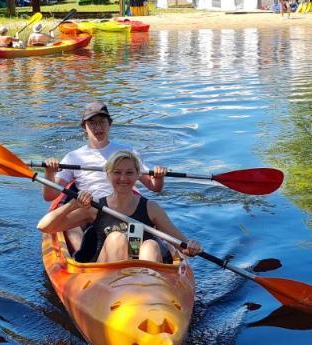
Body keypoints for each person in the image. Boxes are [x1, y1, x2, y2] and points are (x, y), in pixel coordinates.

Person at [38, 150, 201, 264]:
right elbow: (44, 226)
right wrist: (72, 204)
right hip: (107, 277)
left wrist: (192, 246)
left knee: (150, 246)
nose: (123, 178)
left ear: (138, 175)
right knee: (117, 238)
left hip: (143, 277)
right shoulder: (96, 208)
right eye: (117, 172)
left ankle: (144, 297)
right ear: (108, 175)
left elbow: (183, 246)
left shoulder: (151, 208)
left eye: (129, 173)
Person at [42, 101, 165, 203]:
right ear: (84, 127)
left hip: (122, 207)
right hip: (88, 208)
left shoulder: (128, 152)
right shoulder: (72, 157)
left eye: (102, 122)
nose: (98, 128)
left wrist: (158, 177)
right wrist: (49, 172)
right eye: (92, 123)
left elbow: (154, 187)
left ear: (109, 124)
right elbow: (50, 196)